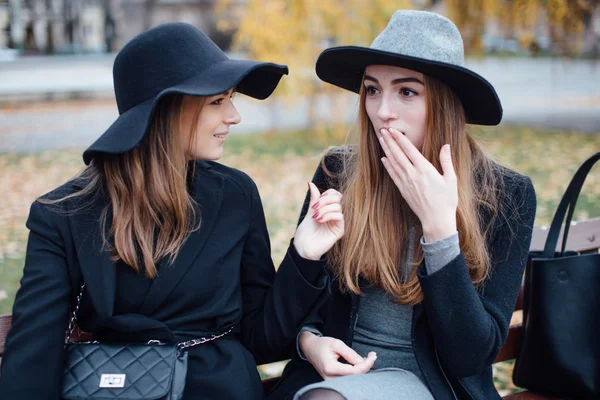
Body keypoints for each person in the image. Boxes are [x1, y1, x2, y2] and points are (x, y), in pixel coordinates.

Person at [0, 23, 345, 400]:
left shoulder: (235, 194)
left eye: (231, 99)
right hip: (116, 388)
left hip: (218, 388)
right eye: (217, 101)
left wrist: (304, 255)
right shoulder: (64, 213)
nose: (234, 116)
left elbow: (262, 339)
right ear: (166, 111)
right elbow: (34, 353)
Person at [267, 10, 536, 400]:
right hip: (333, 380)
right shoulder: (340, 171)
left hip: (433, 386)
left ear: (444, 104)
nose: (382, 111)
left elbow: (471, 355)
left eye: (407, 92)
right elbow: (295, 310)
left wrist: (439, 228)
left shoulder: (504, 194)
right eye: (373, 90)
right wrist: (310, 342)